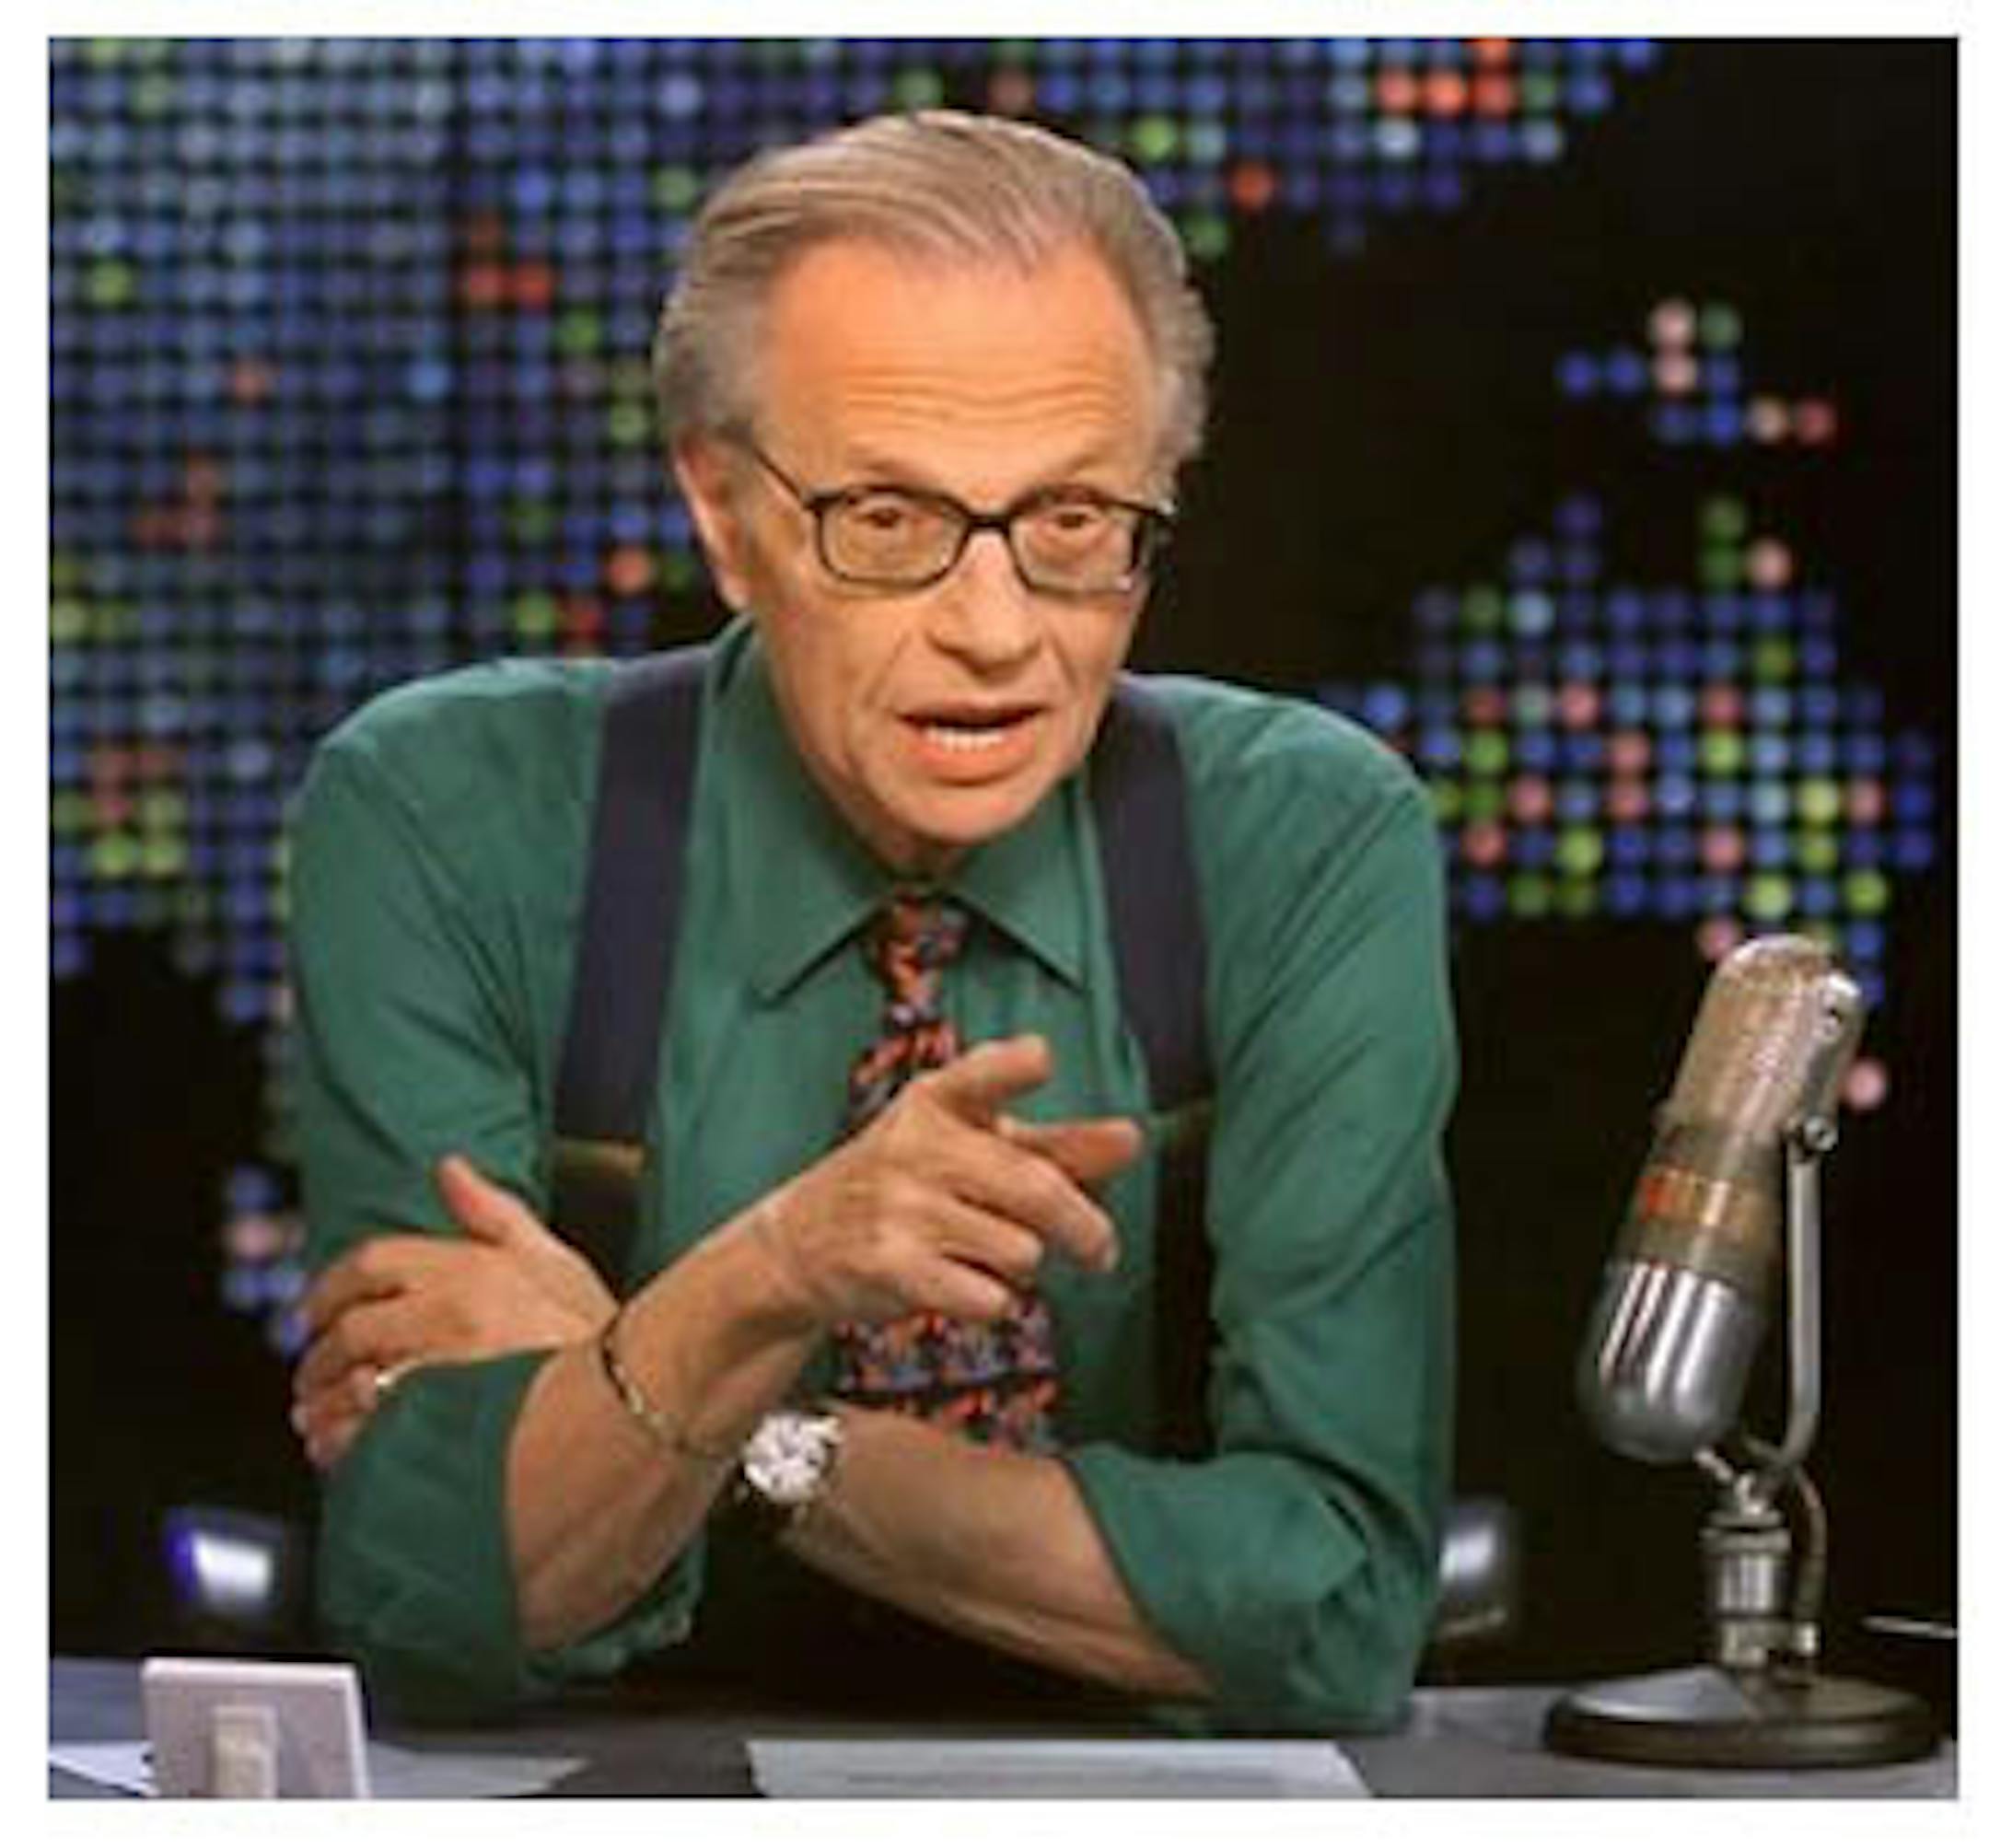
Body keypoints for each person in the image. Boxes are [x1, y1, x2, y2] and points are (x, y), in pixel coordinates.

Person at [286, 109, 1457, 1734]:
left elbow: (1334, 1605)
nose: (996, 631)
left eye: (1072, 523)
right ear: (723, 513)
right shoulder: (446, 815)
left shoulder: (1307, 836)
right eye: (889, 523)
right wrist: (781, 1269)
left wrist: (705, 1394)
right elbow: (434, 1595)